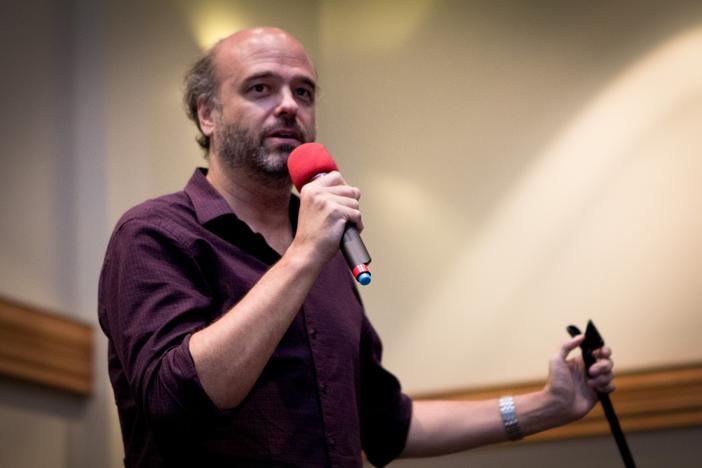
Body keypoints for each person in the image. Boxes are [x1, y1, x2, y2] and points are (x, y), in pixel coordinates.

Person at [98, 27, 615, 467]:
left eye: (304, 92)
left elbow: (386, 424)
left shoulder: (325, 244)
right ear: (207, 114)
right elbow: (178, 399)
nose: (288, 106)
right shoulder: (156, 234)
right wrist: (302, 256)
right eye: (260, 88)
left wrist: (547, 406)